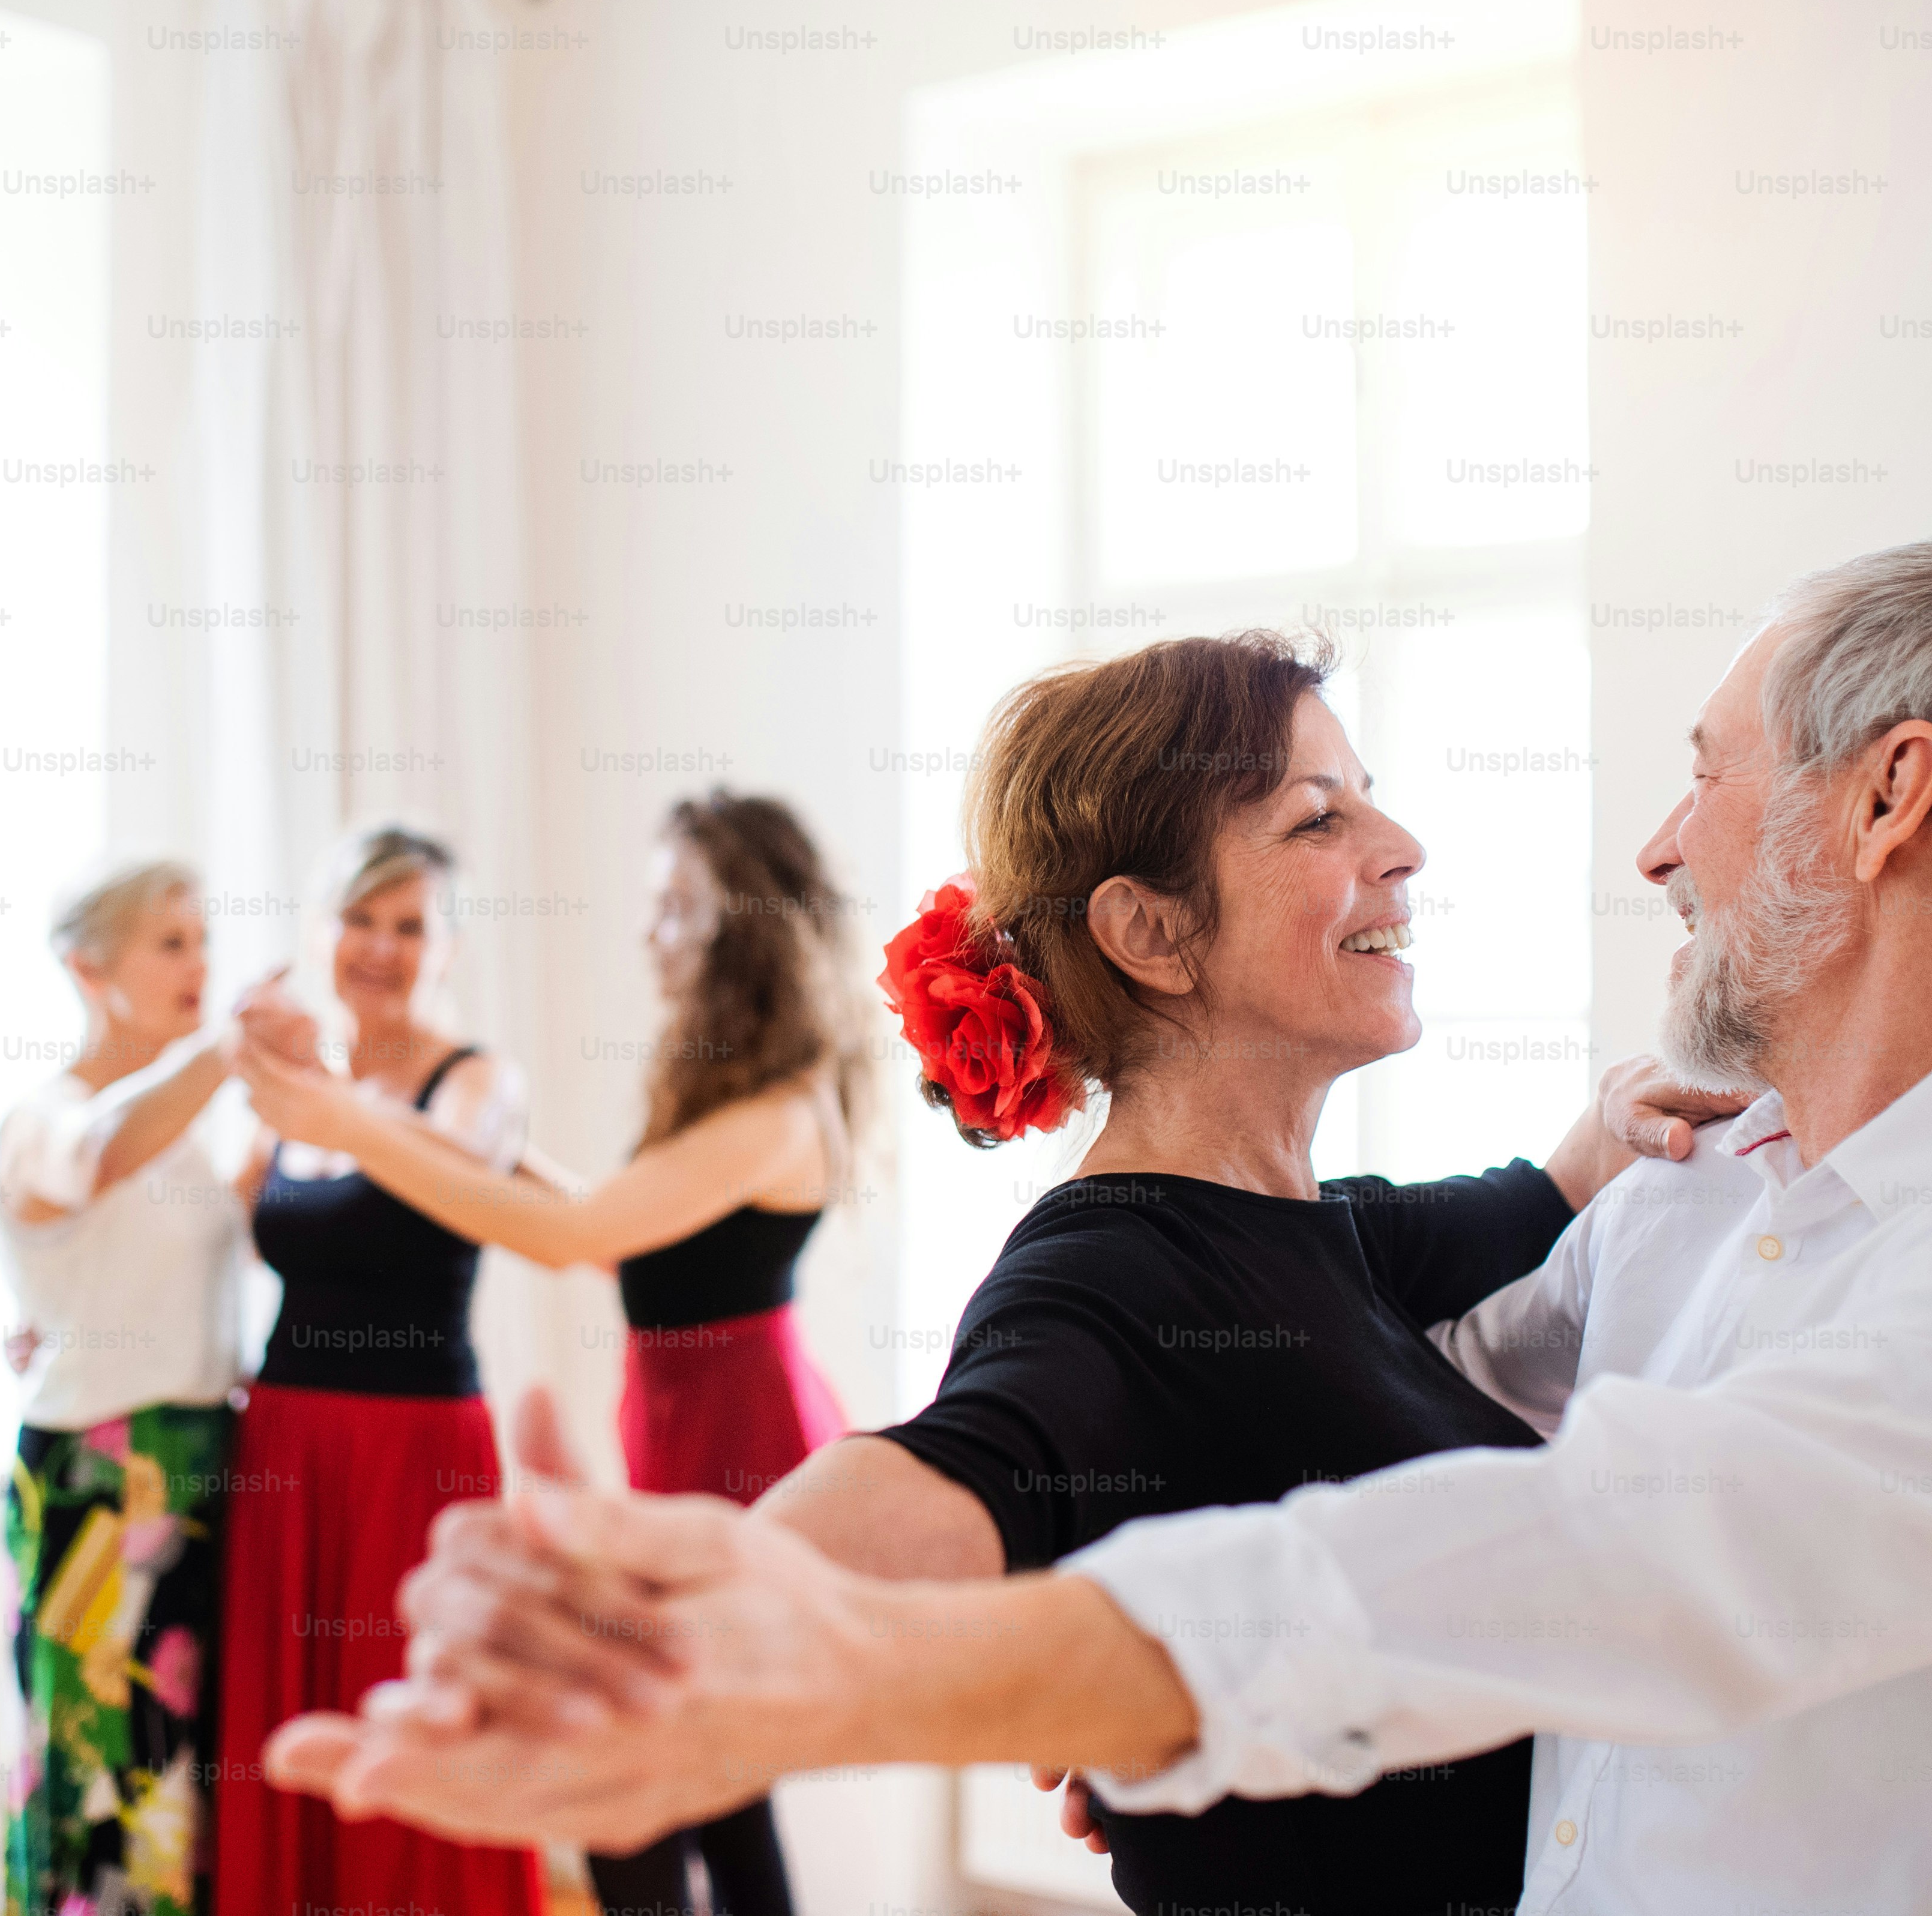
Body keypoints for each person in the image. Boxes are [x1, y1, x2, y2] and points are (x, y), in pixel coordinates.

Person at [268, 536, 1932, 1916]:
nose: (1653, 845)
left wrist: (1123, 1673)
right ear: (1149, 932)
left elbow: (1590, 1532)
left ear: (1888, 800)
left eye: (1700, 773)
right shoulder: (1694, 1201)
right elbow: (1047, 1440)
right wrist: (937, 1643)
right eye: (1317, 814)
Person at [248, 639, 1717, 1911]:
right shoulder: (1105, 1275)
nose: (1399, 847)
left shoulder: (1330, 1229)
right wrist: (672, 1626)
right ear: (1149, 934)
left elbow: (1546, 1187)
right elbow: (963, 1457)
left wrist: (1666, 1081)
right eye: (1314, 819)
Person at [232, 791, 874, 1916]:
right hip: (688, 1438)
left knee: (635, 1780)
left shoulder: (773, 1114)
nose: (649, 934)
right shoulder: (745, 1101)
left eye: (678, 910)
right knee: (709, 1786)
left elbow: (570, 1237)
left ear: (750, 930)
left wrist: (352, 1121)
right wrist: (457, 1140)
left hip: (742, 1452)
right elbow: (611, 1227)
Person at [212, 825, 543, 1916]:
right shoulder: (290, 1099)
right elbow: (198, 1238)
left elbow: (464, 1164)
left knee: (412, 1719)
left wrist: (322, 1098)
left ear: (446, 947)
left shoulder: (476, 1082)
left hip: (417, 1454)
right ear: (324, 933)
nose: (382, 948)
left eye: (410, 926)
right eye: (361, 920)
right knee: (294, 1730)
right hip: (287, 1444)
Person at [0, 859, 248, 1916]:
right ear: (87, 971)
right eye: (170, 943)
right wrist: (228, 1049)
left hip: (199, 1469)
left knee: (177, 1774)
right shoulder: (48, 1116)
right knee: (104, 1770)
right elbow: (97, 1158)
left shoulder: (188, 1136)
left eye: (202, 939)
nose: (198, 964)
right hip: (103, 1478)